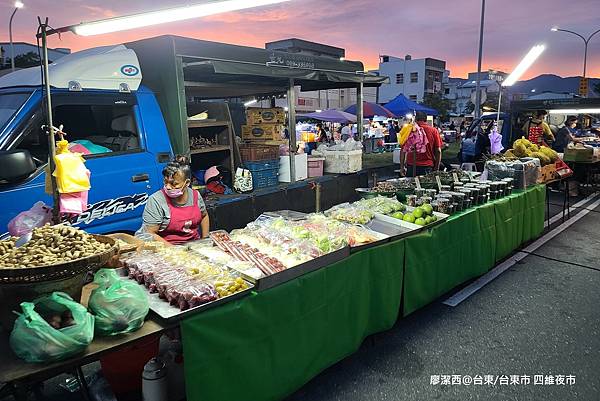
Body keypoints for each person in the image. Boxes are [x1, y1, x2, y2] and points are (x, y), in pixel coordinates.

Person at [142, 155, 209, 244]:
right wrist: (174, 251)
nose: (168, 187)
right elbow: (150, 233)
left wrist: (205, 239)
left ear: (187, 183)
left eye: (174, 184)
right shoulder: (156, 200)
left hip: (194, 244)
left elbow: (204, 215)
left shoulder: (195, 195)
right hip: (167, 249)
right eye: (166, 182)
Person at [399, 111, 442, 177]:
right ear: (426, 119)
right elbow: (438, 151)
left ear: (415, 119)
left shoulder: (408, 130)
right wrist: (436, 168)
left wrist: (402, 168)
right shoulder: (434, 131)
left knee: (411, 186)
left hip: (412, 167)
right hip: (427, 167)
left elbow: (403, 151)